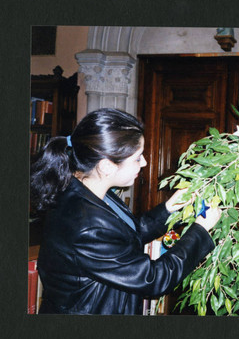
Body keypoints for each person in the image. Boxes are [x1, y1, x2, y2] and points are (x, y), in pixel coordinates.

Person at [30, 107, 221, 315]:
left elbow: (127, 237)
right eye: (138, 158)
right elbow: (154, 279)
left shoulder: (91, 190)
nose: (145, 162)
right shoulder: (85, 223)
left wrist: (168, 210)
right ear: (106, 167)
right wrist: (201, 230)